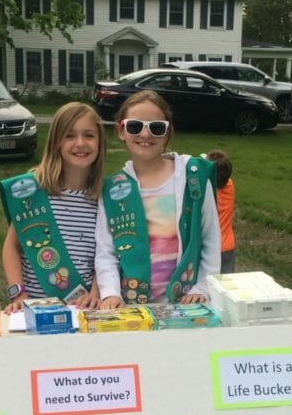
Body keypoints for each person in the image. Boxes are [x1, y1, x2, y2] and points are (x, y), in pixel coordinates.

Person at [94, 91, 221, 307]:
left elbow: (210, 237)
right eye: (135, 126)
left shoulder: (193, 177)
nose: (145, 134)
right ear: (121, 130)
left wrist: (204, 287)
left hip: (186, 302)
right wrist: (111, 293)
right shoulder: (113, 188)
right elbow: (106, 249)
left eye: (156, 127)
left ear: (168, 132)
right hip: (132, 306)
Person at [0, 102, 106, 313]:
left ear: (100, 142)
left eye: (89, 135)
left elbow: (107, 254)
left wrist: (96, 292)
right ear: (56, 142)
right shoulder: (33, 191)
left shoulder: (103, 197)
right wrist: (18, 293)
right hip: (35, 307)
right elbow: (12, 246)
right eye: (69, 136)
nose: (80, 143)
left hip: (84, 308)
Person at [206, 149, 237, 274]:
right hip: (228, 247)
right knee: (224, 288)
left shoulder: (206, 192)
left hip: (210, 248)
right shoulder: (230, 185)